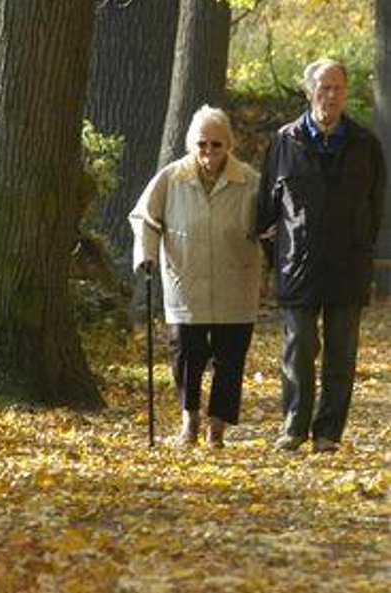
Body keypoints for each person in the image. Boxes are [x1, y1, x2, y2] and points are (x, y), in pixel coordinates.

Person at [256, 58, 387, 453]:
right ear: (309, 91)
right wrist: (275, 258)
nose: (331, 95)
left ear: (346, 93)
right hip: (298, 265)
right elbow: (266, 208)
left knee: (341, 354)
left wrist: (362, 246)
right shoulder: (285, 141)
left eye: (338, 88)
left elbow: (376, 206)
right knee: (298, 348)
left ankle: (328, 432)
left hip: (348, 264)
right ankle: (294, 426)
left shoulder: (366, 145)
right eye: (324, 87)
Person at [129, 105, 262, 448]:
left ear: (228, 145)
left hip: (236, 281)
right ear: (192, 144)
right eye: (202, 144)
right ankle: (190, 422)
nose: (209, 151)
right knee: (186, 355)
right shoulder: (172, 177)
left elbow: (272, 222)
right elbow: (145, 217)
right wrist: (145, 254)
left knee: (230, 359)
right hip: (185, 282)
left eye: (217, 144)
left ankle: (216, 429)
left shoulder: (249, 181)